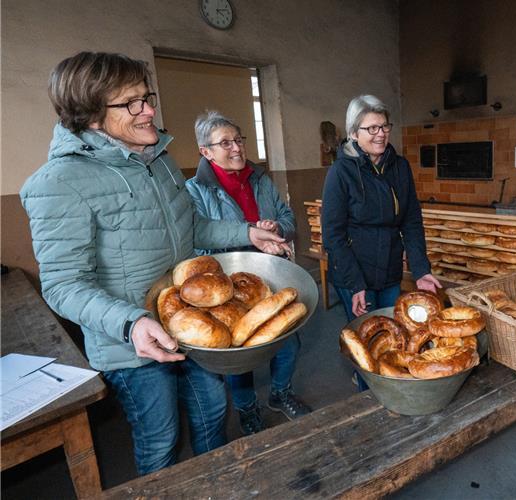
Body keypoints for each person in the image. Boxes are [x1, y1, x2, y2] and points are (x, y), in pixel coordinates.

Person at [20, 52, 289, 475]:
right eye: (132, 103)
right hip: (130, 342)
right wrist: (131, 323)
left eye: (147, 97)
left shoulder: (159, 160)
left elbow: (191, 225)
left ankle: (213, 483)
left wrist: (246, 232)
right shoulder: (59, 183)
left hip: (191, 323)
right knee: (160, 439)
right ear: (91, 114)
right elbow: (62, 284)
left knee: (212, 414)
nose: (149, 110)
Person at [186, 111, 311, 434]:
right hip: (228, 288)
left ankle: (280, 393)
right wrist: (249, 232)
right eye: (225, 143)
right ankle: (246, 409)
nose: (237, 148)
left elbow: (287, 217)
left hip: (268, 277)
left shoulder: (260, 179)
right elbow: (200, 241)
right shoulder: (194, 191)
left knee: (287, 342)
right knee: (238, 354)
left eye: (239, 140)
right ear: (206, 152)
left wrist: (277, 228)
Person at [321, 95, 440, 389]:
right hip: (354, 271)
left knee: (394, 334)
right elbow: (333, 235)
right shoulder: (341, 172)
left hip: (388, 269)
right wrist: (355, 284)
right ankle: (367, 393)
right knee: (366, 340)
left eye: (384, 126)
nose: (380, 133)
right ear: (353, 134)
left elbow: (411, 221)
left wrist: (422, 269)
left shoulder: (399, 167)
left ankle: (389, 390)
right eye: (371, 128)